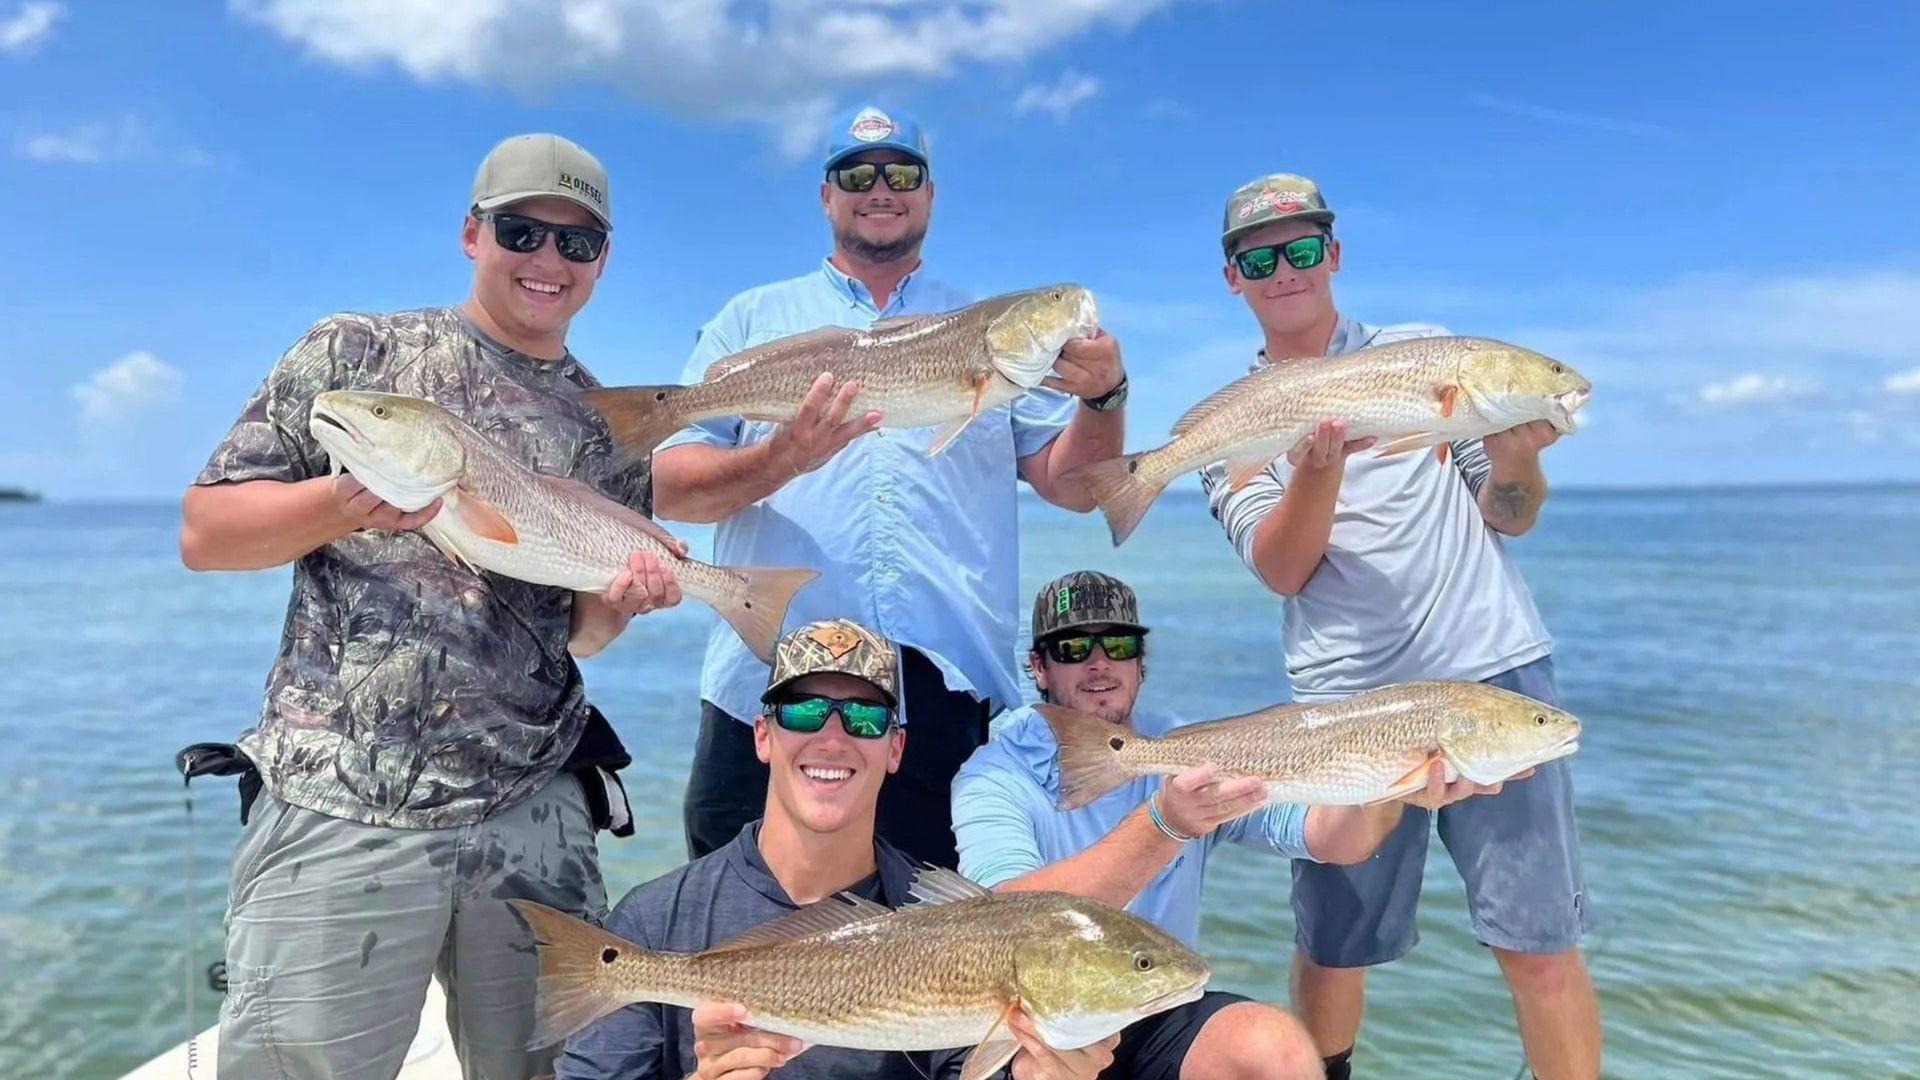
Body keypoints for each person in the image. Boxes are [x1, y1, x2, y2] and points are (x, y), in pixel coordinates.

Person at [177, 133, 685, 1080]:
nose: (547, 260)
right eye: (523, 230)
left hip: (534, 807)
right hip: (342, 801)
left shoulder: (608, 425)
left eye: (577, 243)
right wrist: (338, 500)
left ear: (603, 260)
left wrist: (627, 603)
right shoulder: (357, 356)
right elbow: (206, 534)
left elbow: (581, 635)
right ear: (471, 232)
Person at [654, 104, 1130, 868]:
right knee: (740, 946)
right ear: (826, 195)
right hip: (768, 687)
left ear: (930, 193)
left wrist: (1104, 396)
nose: (881, 188)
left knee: (929, 962)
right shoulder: (750, 321)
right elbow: (671, 488)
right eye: (857, 173)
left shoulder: (984, 329)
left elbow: (1075, 488)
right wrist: (782, 458)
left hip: (944, 694)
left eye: (901, 172)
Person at [1198, 173, 1597, 1080]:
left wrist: (1510, 454)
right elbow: (1282, 569)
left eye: (1302, 248)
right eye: (1260, 257)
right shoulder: (1236, 421)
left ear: (1333, 254)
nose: (1284, 269)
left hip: (1493, 671)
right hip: (1345, 706)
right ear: (1234, 278)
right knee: (1339, 942)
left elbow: (1511, 513)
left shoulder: (1426, 354)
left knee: (1539, 940)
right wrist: (1317, 471)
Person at [952, 571, 1514, 1080]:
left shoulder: (1181, 748)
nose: (1098, 663)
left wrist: (1391, 783)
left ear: (1140, 662)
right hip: (1031, 1020)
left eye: (1118, 645)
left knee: (1279, 1051)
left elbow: (1332, 840)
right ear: (1038, 667)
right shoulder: (995, 773)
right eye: (1073, 648)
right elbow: (1002, 921)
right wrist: (1164, 825)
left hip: (1153, 1004)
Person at [555, 617, 1119, 1080]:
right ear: (762, 736)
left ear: (895, 748)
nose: (832, 735)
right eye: (803, 711)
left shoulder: (949, 926)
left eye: (864, 716)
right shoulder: (654, 922)